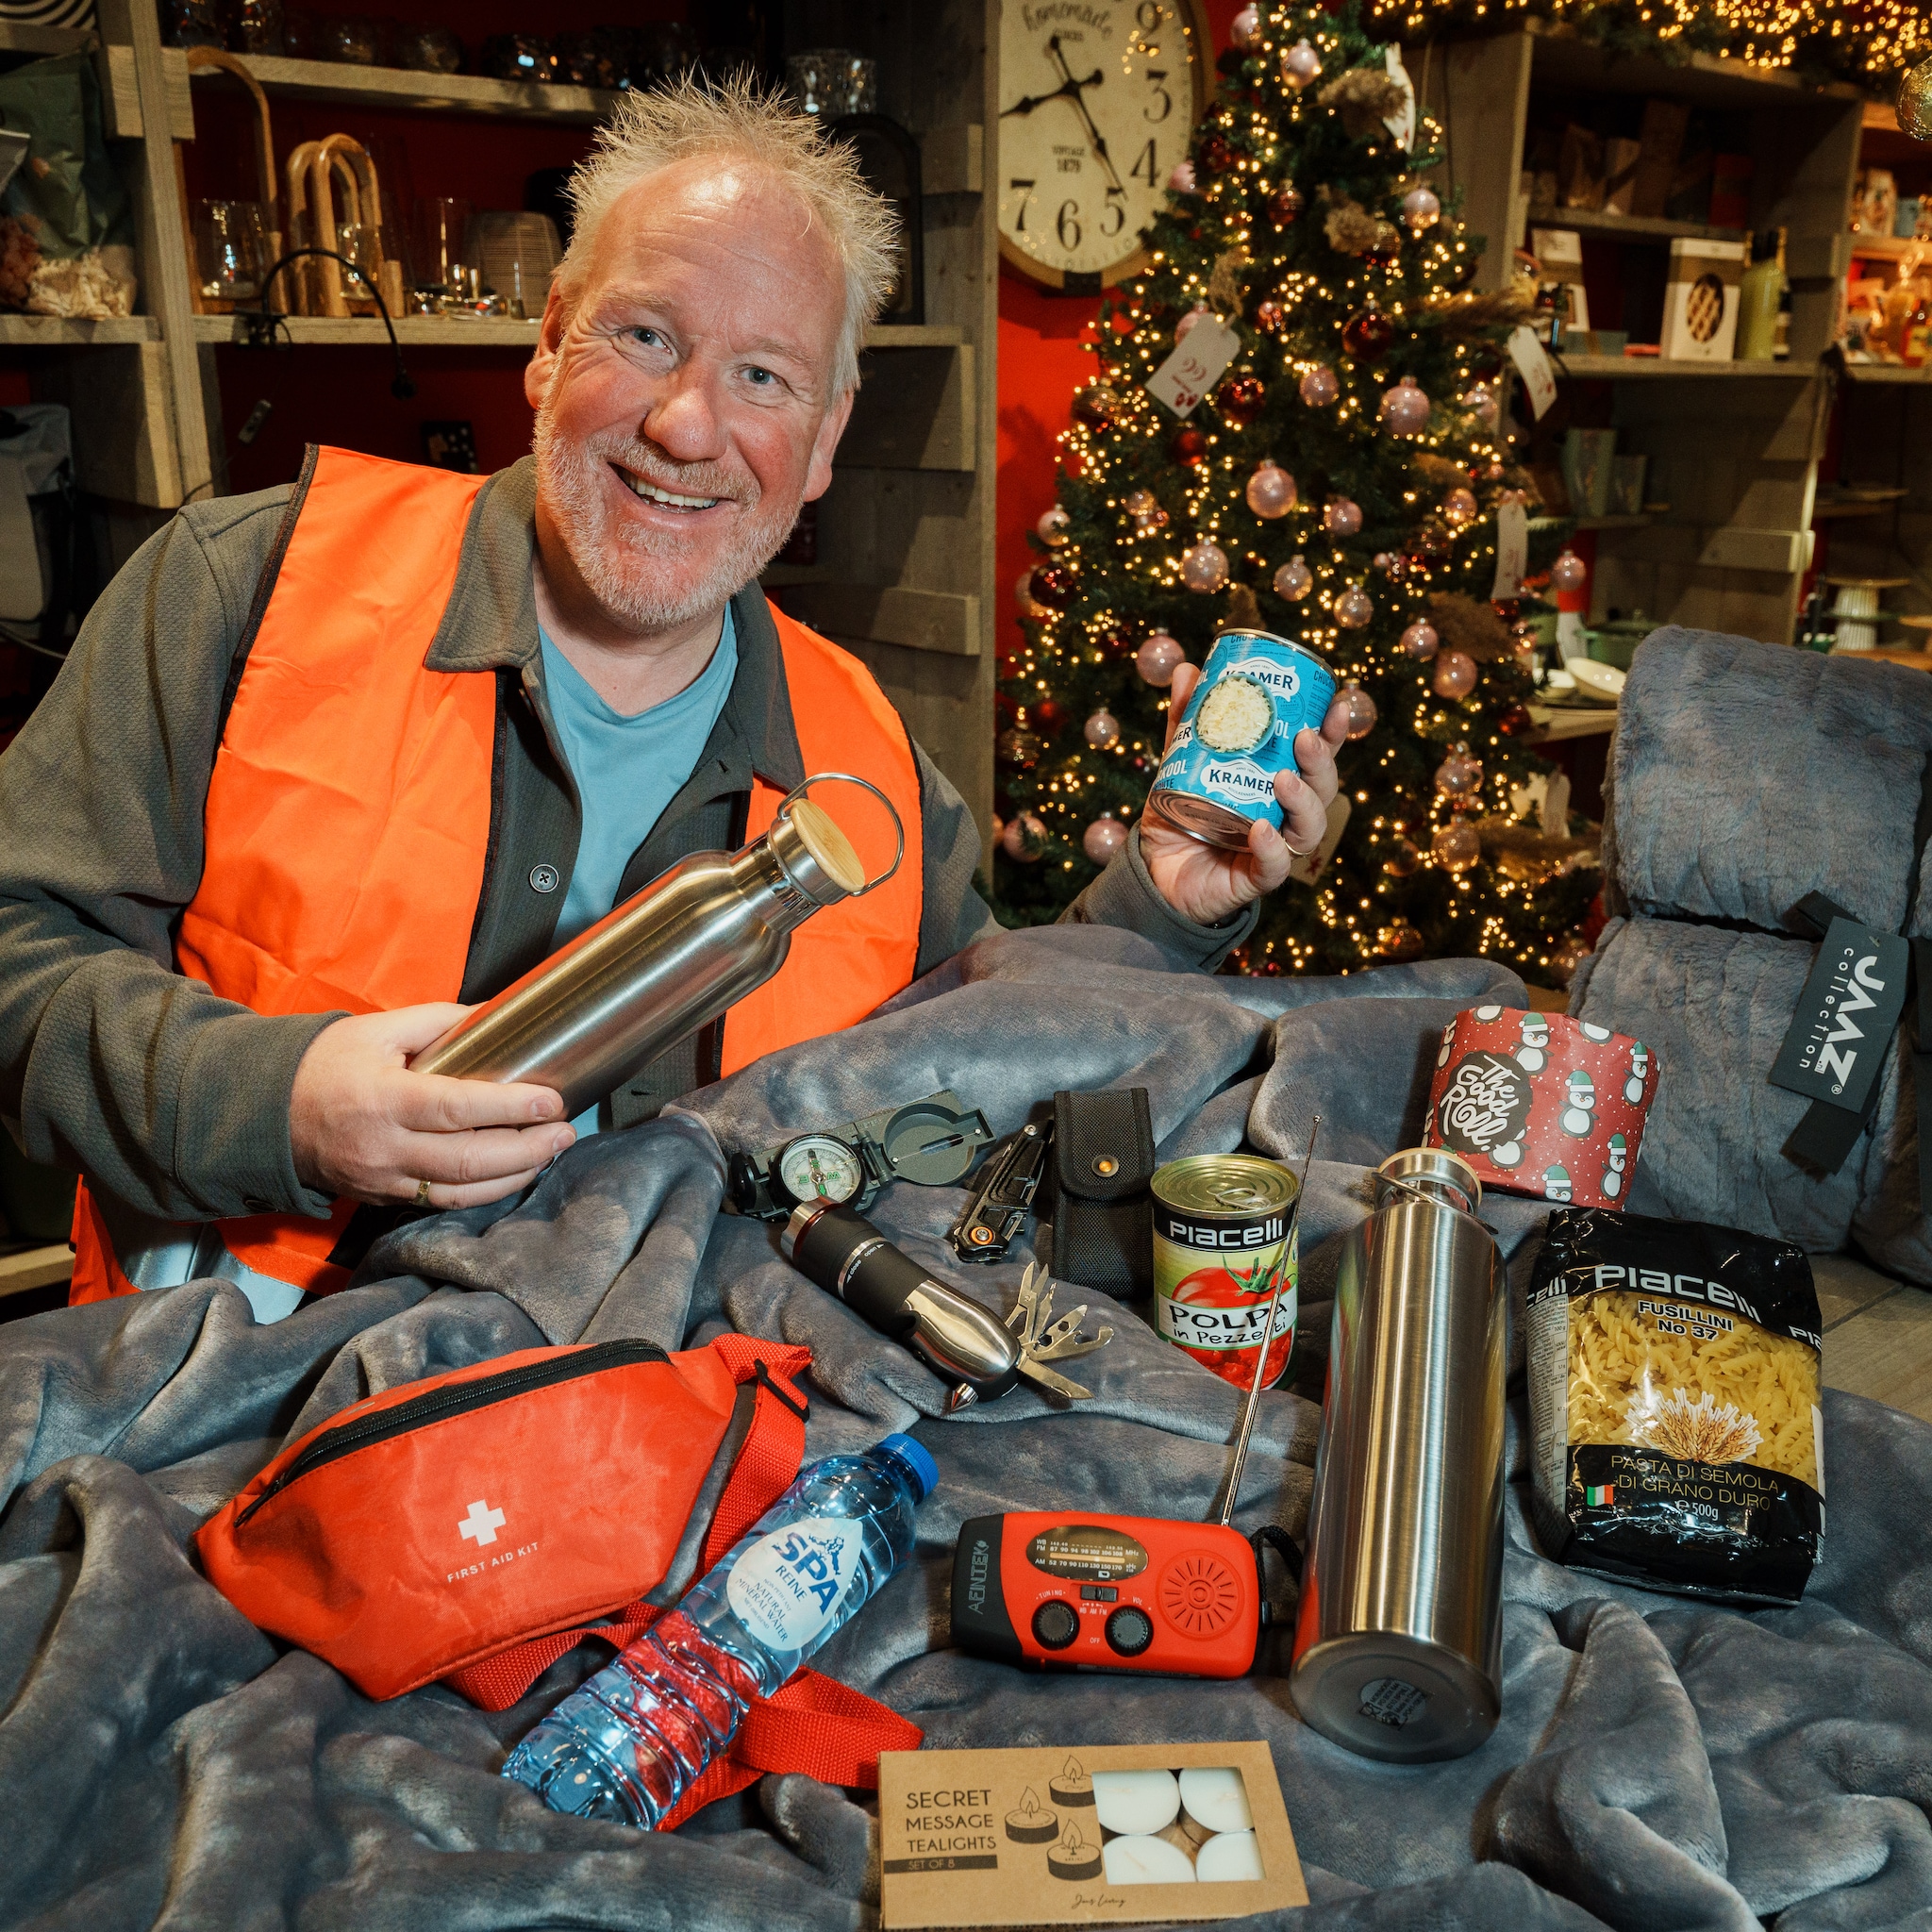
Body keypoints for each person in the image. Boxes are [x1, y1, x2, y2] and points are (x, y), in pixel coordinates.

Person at [0, 80, 1346, 1323]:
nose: (689, 427)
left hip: (658, 1444)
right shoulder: (246, 588)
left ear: (822, 441)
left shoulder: (862, 755)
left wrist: (1163, 907)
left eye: (764, 376)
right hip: (215, 1421)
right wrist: (273, 1104)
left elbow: (978, 1066)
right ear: (546, 345)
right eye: (644, 337)